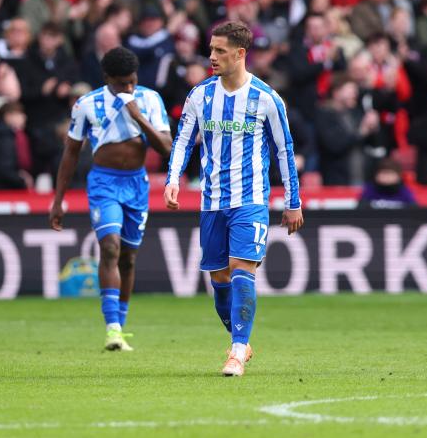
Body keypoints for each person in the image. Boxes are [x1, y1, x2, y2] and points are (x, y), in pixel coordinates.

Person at [165, 20, 304, 377]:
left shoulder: (267, 99)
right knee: (219, 280)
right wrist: (173, 180)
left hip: (251, 199)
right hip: (211, 201)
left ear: (240, 54)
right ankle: (240, 338)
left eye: (219, 51)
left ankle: (237, 352)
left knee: (243, 269)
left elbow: (284, 150)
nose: (211, 57)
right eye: (211, 49)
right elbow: (182, 140)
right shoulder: (200, 95)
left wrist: (293, 201)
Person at [50, 47, 172, 352]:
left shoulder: (149, 100)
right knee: (109, 247)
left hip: (136, 185)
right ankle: (112, 329)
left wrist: (138, 117)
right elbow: (72, 152)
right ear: (107, 79)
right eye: (121, 84)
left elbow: (166, 149)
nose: (128, 89)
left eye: (132, 82)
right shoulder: (87, 104)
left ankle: (122, 323)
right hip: (104, 183)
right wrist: (58, 199)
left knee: (128, 258)